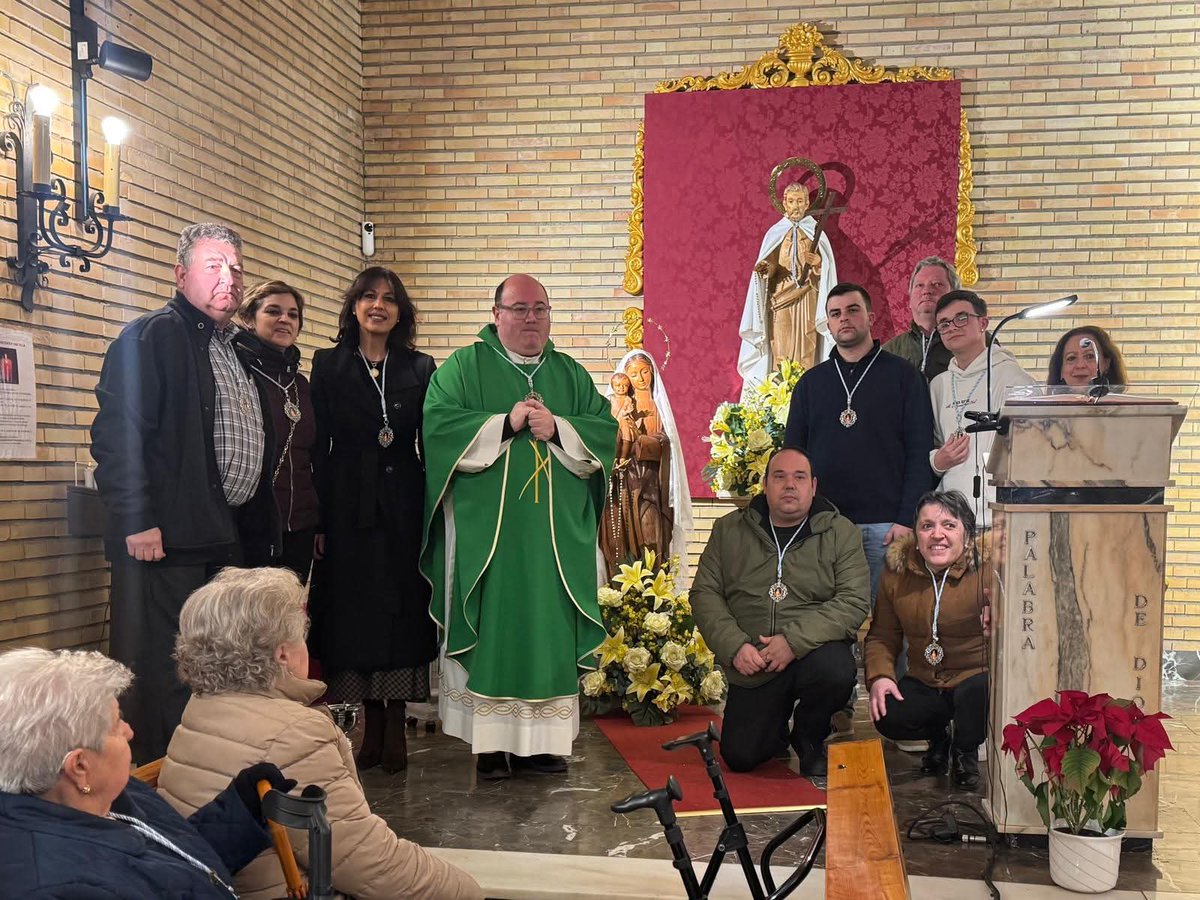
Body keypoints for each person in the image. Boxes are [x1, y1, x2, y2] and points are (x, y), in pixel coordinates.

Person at [160, 568, 484, 900]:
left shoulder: (199, 708)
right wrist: (467, 890)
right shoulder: (293, 733)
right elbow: (369, 865)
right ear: (282, 654)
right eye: (302, 637)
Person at [91, 222, 277, 763]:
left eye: (236, 268)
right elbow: (118, 434)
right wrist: (136, 517)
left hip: (218, 535)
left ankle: (202, 775)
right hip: (164, 540)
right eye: (213, 266)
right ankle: (155, 785)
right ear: (180, 275)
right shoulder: (152, 337)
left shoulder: (233, 346)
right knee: (161, 675)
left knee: (212, 673)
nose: (229, 278)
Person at [421, 274, 617, 780]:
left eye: (540, 309)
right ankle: (490, 748)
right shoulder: (464, 367)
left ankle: (544, 747)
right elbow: (438, 426)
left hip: (554, 545)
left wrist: (561, 429)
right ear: (497, 314)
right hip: (490, 538)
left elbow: (605, 431)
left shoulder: (570, 374)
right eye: (519, 308)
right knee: (492, 628)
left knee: (549, 632)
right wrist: (503, 424)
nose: (531, 318)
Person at [0, 647, 287, 899]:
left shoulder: (108, 794)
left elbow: (170, 861)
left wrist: (241, 809)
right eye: (116, 723)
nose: (129, 731)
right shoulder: (59, 887)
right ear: (80, 767)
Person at [308, 266, 436, 774]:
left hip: (404, 502)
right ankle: (369, 719)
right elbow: (317, 445)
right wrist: (319, 518)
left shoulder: (420, 367)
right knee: (354, 608)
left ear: (401, 312)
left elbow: (432, 443)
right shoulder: (329, 364)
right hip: (347, 503)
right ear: (354, 306)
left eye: (388, 298)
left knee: (401, 608)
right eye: (368, 297)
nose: (378, 305)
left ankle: (396, 717)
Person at [690, 447, 870, 776]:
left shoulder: (841, 532)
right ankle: (774, 733)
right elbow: (705, 593)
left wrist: (792, 642)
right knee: (741, 756)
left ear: (813, 486)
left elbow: (854, 600)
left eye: (799, 477)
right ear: (765, 485)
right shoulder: (729, 530)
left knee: (836, 670)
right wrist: (735, 646)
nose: (790, 485)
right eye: (779, 476)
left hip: (813, 653)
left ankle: (810, 737)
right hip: (755, 661)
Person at [783, 282, 934, 605]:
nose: (844, 318)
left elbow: (919, 452)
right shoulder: (810, 384)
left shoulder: (904, 376)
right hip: (825, 525)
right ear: (828, 324)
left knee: (891, 620)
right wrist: (798, 519)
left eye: (853, 310)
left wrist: (907, 518)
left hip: (887, 525)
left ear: (870, 317)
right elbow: (792, 458)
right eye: (835, 314)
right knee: (826, 619)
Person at [866, 490, 988, 789]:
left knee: (977, 692)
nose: (937, 535)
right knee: (888, 713)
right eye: (927, 526)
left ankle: (965, 751)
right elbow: (882, 634)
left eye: (949, 525)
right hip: (925, 677)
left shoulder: (989, 570)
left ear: (967, 536)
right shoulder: (896, 573)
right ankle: (939, 738)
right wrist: (880, 677)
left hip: (974, 675)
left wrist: (1000, 617)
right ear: (916, 536)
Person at [928, 290, 1036, 527]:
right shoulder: (938, 385)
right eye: (944, 323)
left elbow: (1034, 445)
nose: (952, 327)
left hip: (999, 515)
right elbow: (931, 445)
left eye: (961, 318)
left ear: (983, 323)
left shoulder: (1013, 378)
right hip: (951, 516)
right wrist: (938, 461)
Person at [236, 280, 319, 579]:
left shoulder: (301, 385)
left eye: (293, 314)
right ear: (249, 318)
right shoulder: (240, 376)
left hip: (300, 527)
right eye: (273, 311)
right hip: (252, 526)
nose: (285, 319)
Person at [600, 349, 694, 584]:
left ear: (652, 372)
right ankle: (622, 591)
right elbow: (605, 437)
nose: (640, 378)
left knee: (651, 531)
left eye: (644, 372)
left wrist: (646, 441)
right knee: (619, 537)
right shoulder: (618, 404)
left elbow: (667, 440)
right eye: (633, 374)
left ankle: (652, 586)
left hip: (651, 480)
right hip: (624, 480)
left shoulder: (659, 405)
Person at [738, 181, 839, 396]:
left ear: (807, 204)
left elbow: (827, 271)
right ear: (784, 203)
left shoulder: (814, 232)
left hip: (807, 296)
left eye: (800, 201)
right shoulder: (776, 233)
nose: (795, 206)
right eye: (791, 201)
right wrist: (766, 268)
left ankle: (807, 395)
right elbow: (771, 262)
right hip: (781, 298)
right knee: (781, 346)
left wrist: (818, 263)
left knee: (807, 345)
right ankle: (780, 397)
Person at [882, 257, 961, 381]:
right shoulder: (888, 352)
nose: (926, 291)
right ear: (909, 300)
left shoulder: (976, 344)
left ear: (955, 296)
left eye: (937, 284)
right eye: (919, 285)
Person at [1046, 325, 1128, 390]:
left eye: (1089, 356)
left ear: (1106, 363)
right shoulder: (1044, 406)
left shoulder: (1127, 406)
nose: (1080, 365)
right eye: (1071, 358)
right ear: (1060, 368)